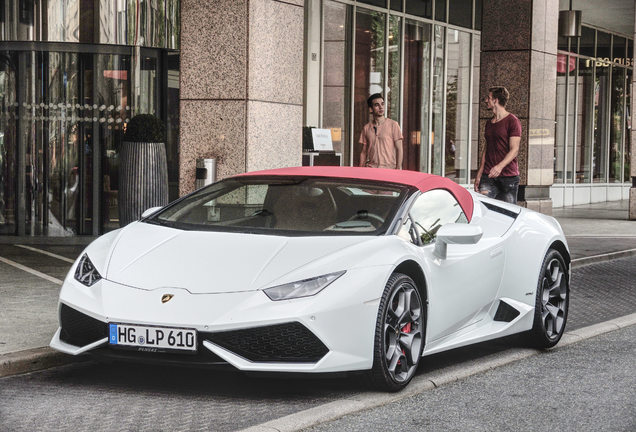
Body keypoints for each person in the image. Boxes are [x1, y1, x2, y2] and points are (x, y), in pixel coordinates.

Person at [474, 86, 521, 203]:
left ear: (495, 100)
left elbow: (514, 149)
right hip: (488, 176)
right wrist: (479, 174)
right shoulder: (489, 123)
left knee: (507, 214)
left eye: (488, 98)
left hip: (508, 177)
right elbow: (487, 149)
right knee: (483, 208)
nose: (486, 101)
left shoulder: (512, 121)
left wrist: (499, 167)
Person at [359, 93, 403, 169]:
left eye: (382, 104)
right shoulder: (366, 128)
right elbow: (364, 152)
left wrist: (398, 168)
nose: (381, 107)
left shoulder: (393, 125)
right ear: (371, 109)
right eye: (377, 105)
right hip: (371, 169)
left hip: (389, 169)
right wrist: (360, 169)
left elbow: (399, 149)